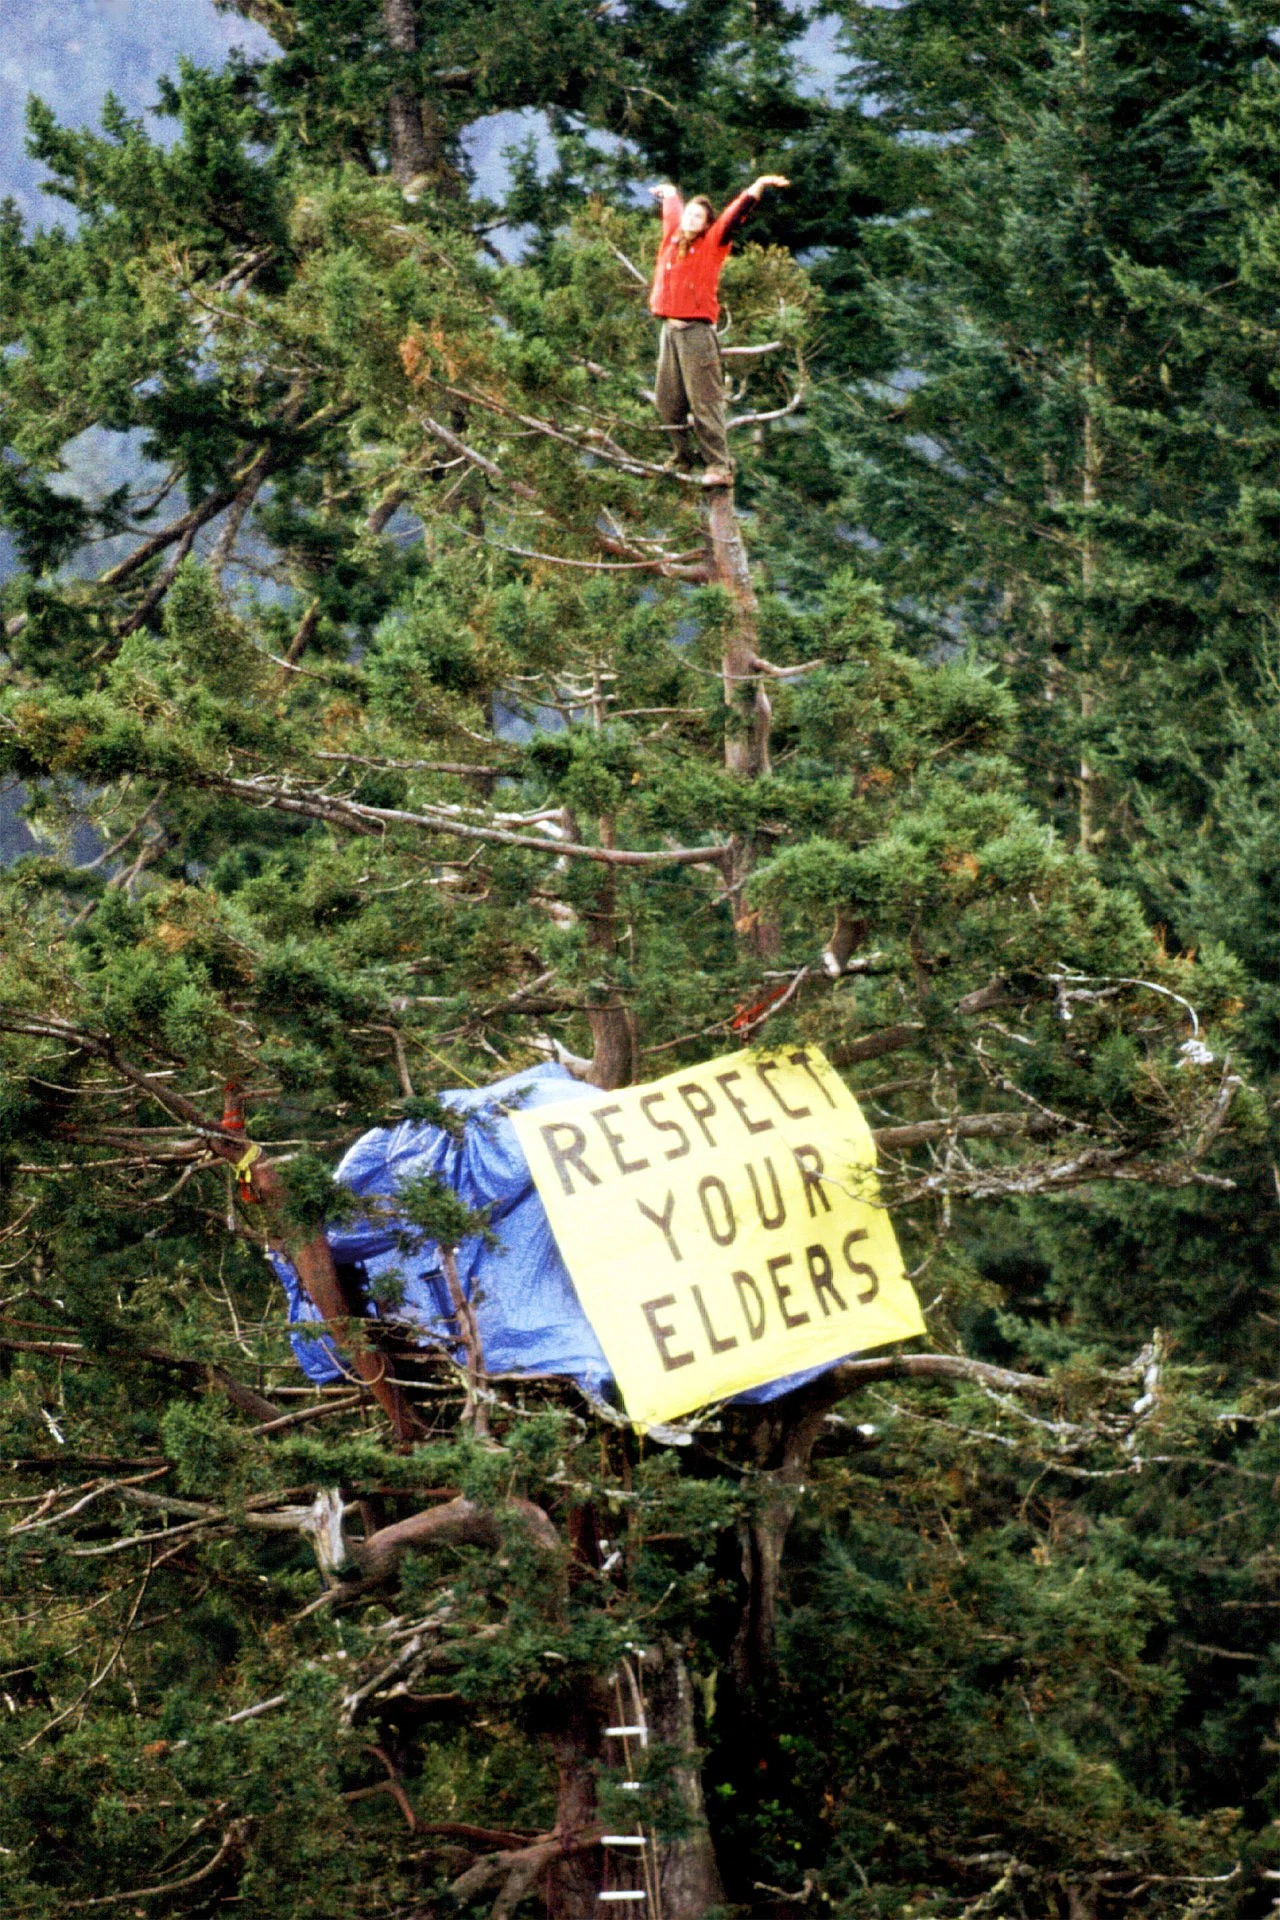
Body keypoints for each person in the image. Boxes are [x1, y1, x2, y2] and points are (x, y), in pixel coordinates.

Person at [648, 174, 790, 487]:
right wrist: (669, 192)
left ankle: (718, 466)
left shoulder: (713, 244)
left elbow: (733, 216)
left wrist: (757, 187)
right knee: (667, 401)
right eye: (689, 214)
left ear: (706, 224)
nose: (690, 219)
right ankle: (683, 456)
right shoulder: (672, 238)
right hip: (669, 332)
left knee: (705, 402)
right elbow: (672, 209)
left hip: (696, 333)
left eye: (698, 217)